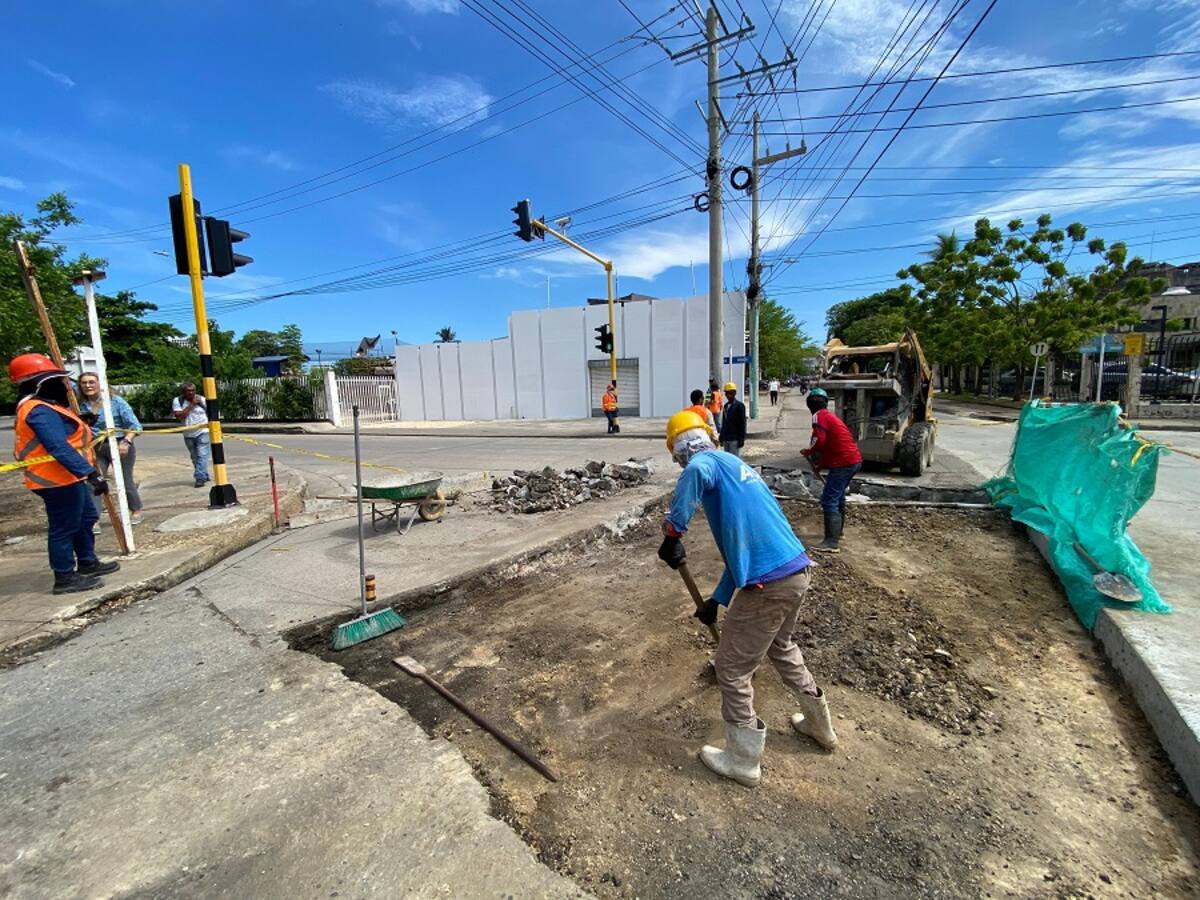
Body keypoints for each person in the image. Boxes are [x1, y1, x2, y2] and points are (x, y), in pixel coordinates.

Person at [657, 409, 837, 788]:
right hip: (794, 572)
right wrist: (717, 600)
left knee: (732, 668)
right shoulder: (736, 468)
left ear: (681, 450)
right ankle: (820, 726)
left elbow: (695, 473)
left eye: (677, 456)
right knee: (781, 646)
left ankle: (743, 759)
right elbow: (744, 554)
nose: (680, 463)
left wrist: (673, 533)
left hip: (768, 586)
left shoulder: (703, 465)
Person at [9, 354, 120, 595]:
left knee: (86, 517)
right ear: (38, 382)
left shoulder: (47, 405)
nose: (64, 385)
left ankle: (88, 563)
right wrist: (90, 473)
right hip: (54, 480)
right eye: (56, 380)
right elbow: (57, 446)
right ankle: (65, 577)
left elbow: (64, 435)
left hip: (68, 476)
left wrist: (80, 422)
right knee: (65, 526)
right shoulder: (37, 409)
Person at [801, 387, 863, 553]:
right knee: (838, 496)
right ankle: (838, 533)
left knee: (829, 500)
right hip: (854, 461)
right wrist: (821, 466)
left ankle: (831, 542)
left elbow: (819, 440)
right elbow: (830, 447)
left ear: (810, 405)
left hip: (844, 463)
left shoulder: (818, 416)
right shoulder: (830, 417)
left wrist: (809, 451)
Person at [78, 372, 144, 526]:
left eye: (91, 382)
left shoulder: (115, 402)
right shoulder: (79, 405)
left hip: (119, 443)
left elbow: (135, 426)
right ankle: (94, 519)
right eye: (84, 383)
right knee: (93, 481)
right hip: (95, 446)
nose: (88, 386)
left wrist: (126, 442)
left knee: (124, 479)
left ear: (100, 384)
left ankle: (136, 510)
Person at [172, 383, 210, 487]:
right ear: (184, 392)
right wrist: (192, 405)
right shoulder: (178, 401)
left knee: (202, 455)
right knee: (195, 457)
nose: (191, 393)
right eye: (188, 391)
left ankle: (200, 478)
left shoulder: (202, 400)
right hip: (188, 433)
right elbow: (179, 416)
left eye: (193, 390)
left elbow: (211, 412)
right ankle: (204, 474)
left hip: (203, 431)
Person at [719, 382, 746, 457]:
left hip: (734, 439)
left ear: (734, 393)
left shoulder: (739, 406)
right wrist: (721, 436)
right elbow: (724, 422)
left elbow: (742, 423)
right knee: (727, 459)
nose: (728, 395)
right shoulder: (726, 406)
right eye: (726, 393)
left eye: (730, 393)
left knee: (734, 459)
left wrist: (741, 438)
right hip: (726, 438)